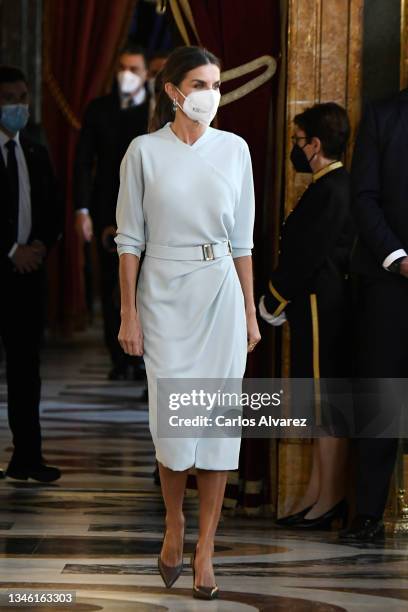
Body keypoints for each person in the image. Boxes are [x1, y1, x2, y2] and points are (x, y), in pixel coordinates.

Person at [115, 46, 260, 600]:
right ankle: (174, 521)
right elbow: (129, 240)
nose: (211, 94)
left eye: (218, 84)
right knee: (174, 423)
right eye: (200, 83)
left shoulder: (236, 150)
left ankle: (206, 546)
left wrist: (249, 310)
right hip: (162, 295)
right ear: (173, 90)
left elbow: (243, 240)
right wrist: (129, 311)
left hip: (220, 290)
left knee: (219, 424)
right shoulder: (143, 152)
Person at [259, 103, 354, 529]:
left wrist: (272, 300)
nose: (295, 149)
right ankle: (317, 494)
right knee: (317, 408)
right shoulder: (325, 185)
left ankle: (329, 500)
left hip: (321, 308)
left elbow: (306, 256)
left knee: (326, 406)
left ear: (315, 145)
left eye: (298, 141)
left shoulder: (333, 188)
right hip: (314, 307)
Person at [339, 89, 408, 543]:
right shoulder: (384, 114)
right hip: (390, 282)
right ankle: (367, 514)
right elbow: (363, 196)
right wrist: (399, 257)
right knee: (383, 398)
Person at [74, 42, 150, 381]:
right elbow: (82, 163)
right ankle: (118, 358)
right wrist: (83, 209)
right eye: (122, 67)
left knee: (146, 286)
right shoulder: (98, 109)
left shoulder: (156, 110)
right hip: (109, 210)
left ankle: (144, 358)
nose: (127, 75)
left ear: (146, 74)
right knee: (112, 285)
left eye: (134, 69)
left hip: (150, 211)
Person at [0, 65, 61, 482]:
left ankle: (27, 457)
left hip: (27, 279)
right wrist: (10, 250)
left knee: (26, 369)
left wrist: (39, 245)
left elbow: (52, 207)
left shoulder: (35, 151)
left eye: (23, 97)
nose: (19, 105)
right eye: (9, 98)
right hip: (1, 268)